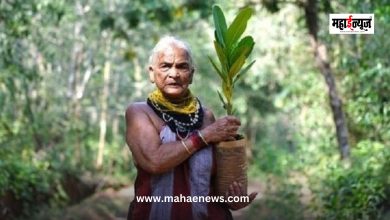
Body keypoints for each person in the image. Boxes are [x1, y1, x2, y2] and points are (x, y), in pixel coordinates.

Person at [125, 36, 257, 220]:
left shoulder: (207, 117)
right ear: (151, 73)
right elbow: (154, 161)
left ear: (192, 74)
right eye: (165, 66)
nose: (174, 74)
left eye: (182, 66)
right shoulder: (139, 113)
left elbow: (219, 185)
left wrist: (234, 198)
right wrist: (203, 137)